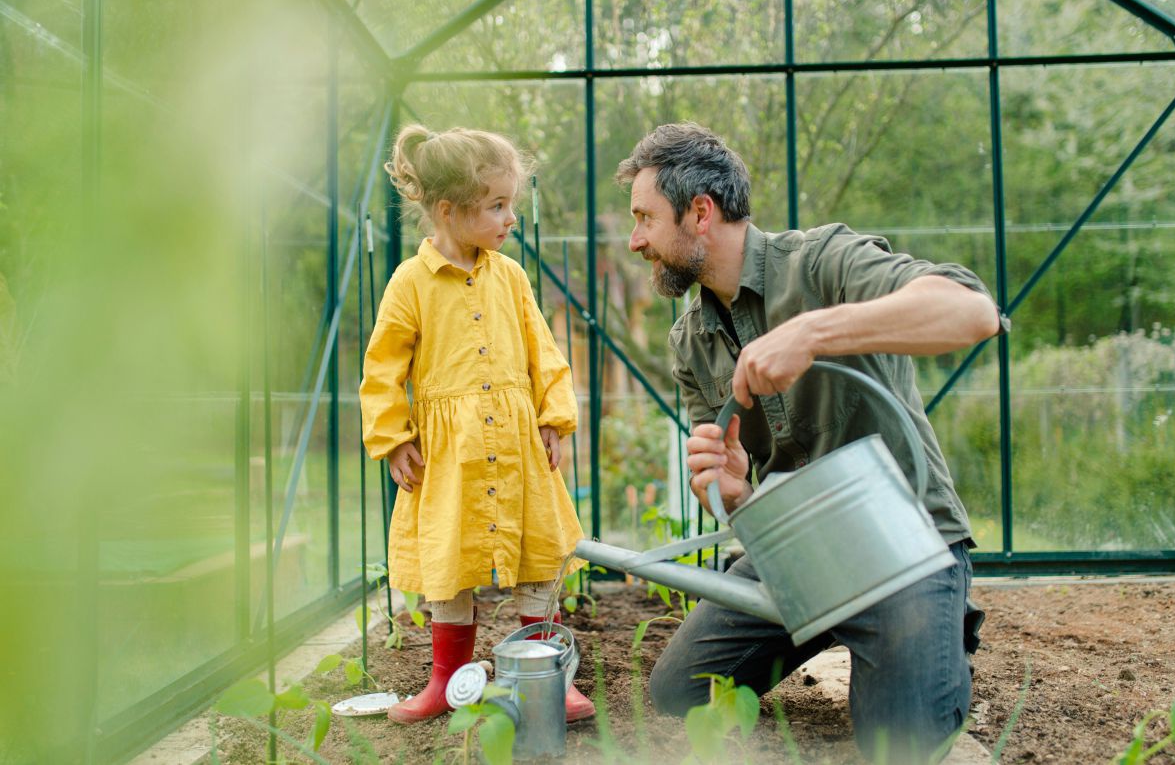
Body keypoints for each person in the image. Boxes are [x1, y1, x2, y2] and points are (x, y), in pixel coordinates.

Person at [616, 122, 1006, 763]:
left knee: (902, 742)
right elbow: (729, 488)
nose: (635, 241)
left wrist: (816, 332)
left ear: (701, 213)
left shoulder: (823, 262)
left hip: (902, 547)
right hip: (798, 552)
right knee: (678, 690)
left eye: (644, 219)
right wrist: (733, 492)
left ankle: (925, 633)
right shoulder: (691, 339)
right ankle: (827, 625)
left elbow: (972, 312)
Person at [360, 124, 594, 724]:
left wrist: (553, 415)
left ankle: (548, 679)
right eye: (497, 206)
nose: (510, 218)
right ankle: (444, 682)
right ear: (449, 210)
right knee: (448, 562)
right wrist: (392, 440)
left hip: (516, 445)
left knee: (538, 555)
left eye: (510, 204)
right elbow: (383, 367)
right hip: (448, 454)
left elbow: (544, 349)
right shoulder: (409, 284)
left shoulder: (509, 276)